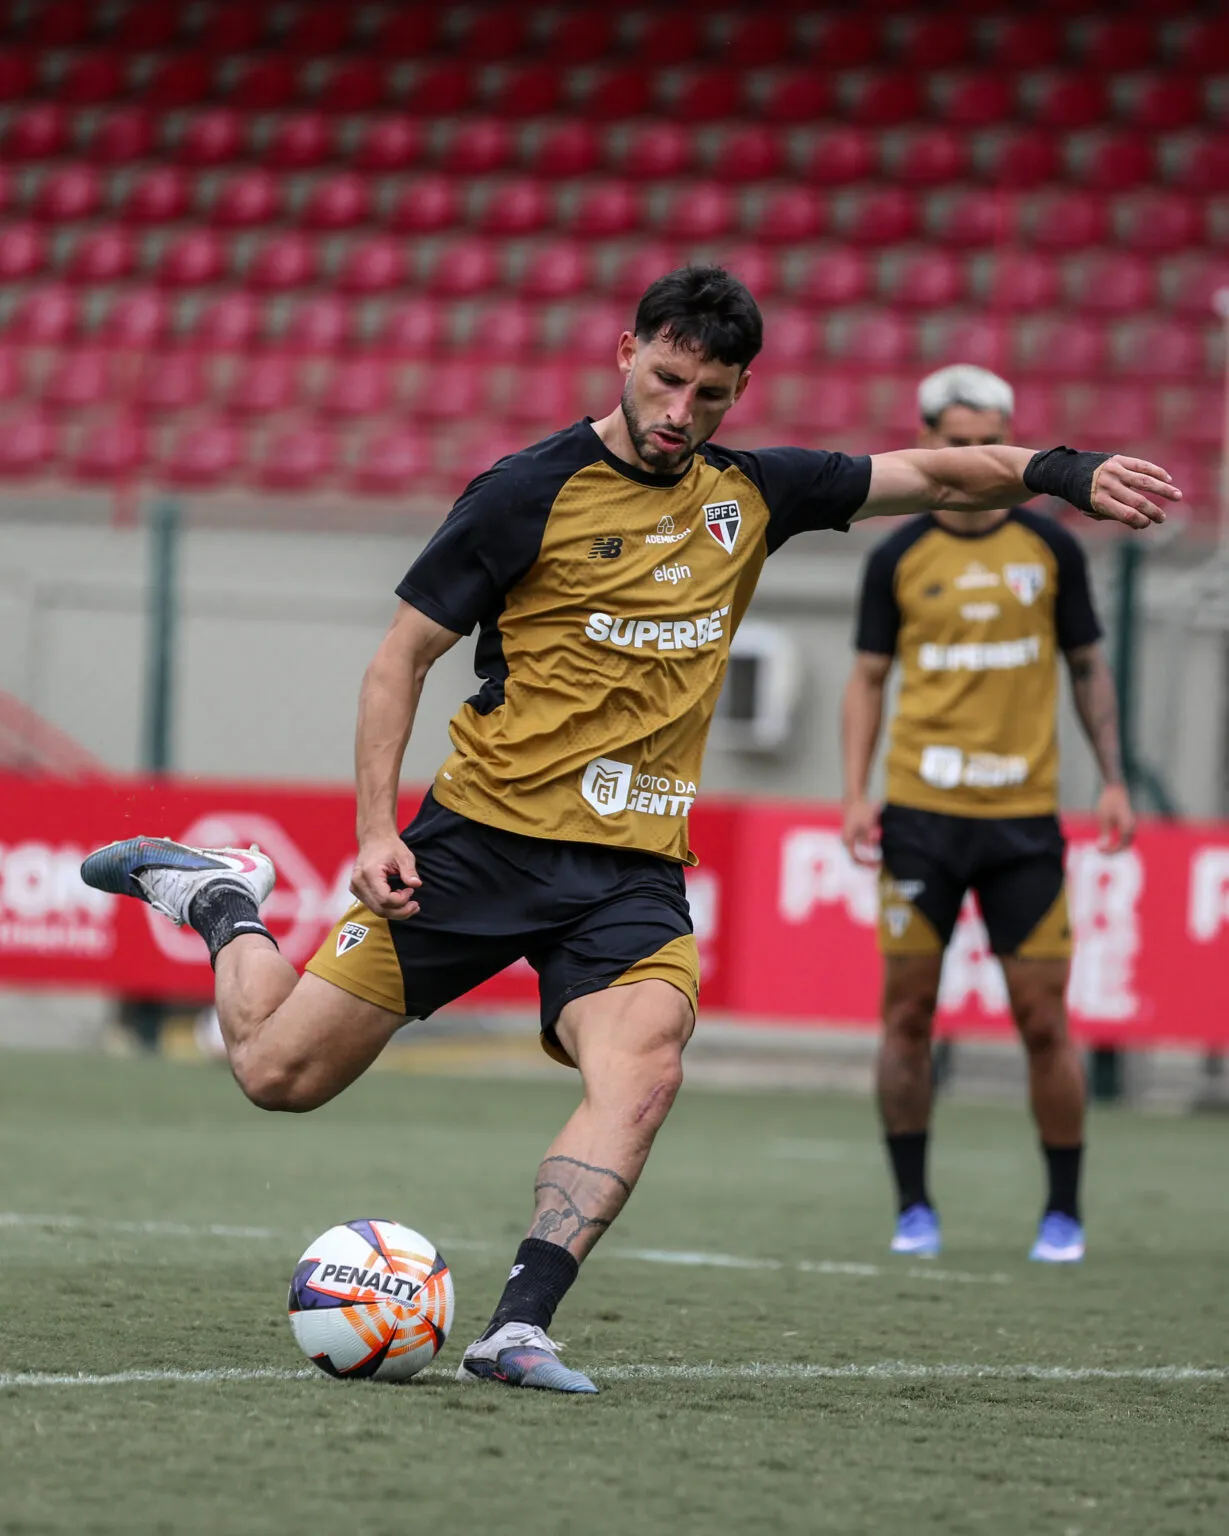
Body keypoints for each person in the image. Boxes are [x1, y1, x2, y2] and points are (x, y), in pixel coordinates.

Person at [83, 273, 1178, 1392]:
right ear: (622, 352)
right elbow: (397, 659)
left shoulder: (753, 494)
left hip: (630, 877)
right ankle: (220, 898)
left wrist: (1066, 473)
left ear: (739, 390)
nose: (678, 411)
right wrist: (374, 827)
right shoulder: (524, 491)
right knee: (277, 1073)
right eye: (663, 379)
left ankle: (517, 1325)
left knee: (645, 1068)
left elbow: (938, 472)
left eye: (708, 393)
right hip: (479, 844)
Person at [840, 363, 1137, 1267]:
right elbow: (866, 679)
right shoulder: (895, 553)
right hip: (921, 820)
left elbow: (1086, 667)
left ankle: (1062, 1212)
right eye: (957, 438)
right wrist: (855, 791)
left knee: (1043, 1022)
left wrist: (1112, 778)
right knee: (906, 1017)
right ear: (927, 439)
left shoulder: (1052, 551)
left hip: (1021, 824)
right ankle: (913, 1207)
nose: (972, 455)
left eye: (988, 437)